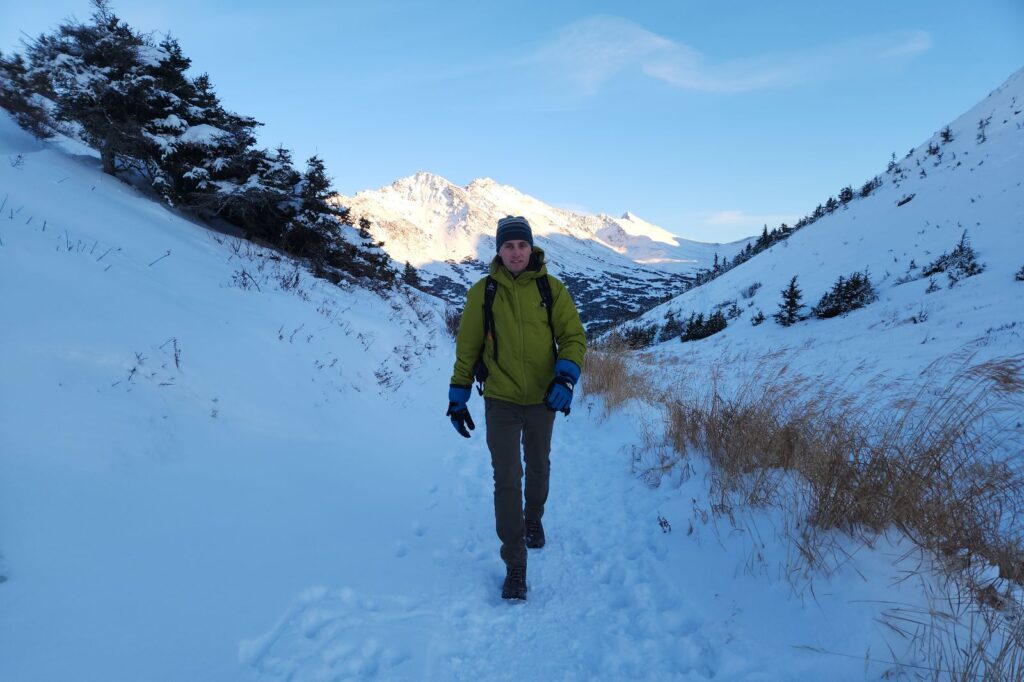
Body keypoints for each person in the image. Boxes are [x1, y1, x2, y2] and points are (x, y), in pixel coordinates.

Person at [447, 215, 587, 601]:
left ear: (531, 247)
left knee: (538, 465)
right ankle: (515, 563)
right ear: (498, 250)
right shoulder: (483, 293)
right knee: (507, 477)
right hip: (501, 399)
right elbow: (468, 348)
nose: (516, 252)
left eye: (521, 245)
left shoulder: (550, 289)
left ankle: (534, 519)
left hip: (544, 397)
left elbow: (573, 336)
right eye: (508, 246)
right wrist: (458, 395)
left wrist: (565, 377)